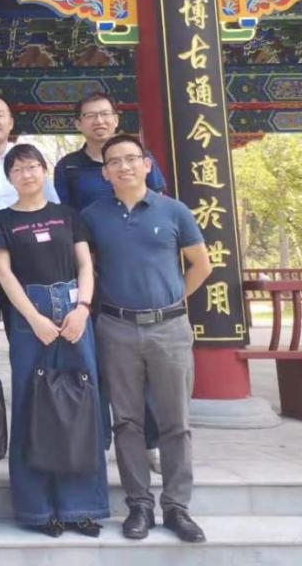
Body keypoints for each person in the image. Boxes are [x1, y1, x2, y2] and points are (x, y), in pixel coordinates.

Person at [81, 134, 212, 544]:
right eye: (114, 162)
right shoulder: (92, 215)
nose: (124, 166)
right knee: (127, 421)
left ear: (146, 164)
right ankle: (139, 504)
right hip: (116, 327)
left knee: (176, 421)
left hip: (169, 329)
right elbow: (87, 267)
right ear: (105, 173)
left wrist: (173, 301)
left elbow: (201, 265)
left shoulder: (174, 210)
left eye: (131, 159)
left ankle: (176, 506)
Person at [0, 144, 109, 538]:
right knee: (32, 406)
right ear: (9, 178)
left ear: (45, 171)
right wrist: (33, 318)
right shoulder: (2, 220)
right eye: (18, 169)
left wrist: (83, 309)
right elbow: (4, 274)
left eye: (33, 167)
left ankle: (82, 507)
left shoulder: (67, 215)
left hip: (74, 312)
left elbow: (85, 264)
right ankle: (38, 510)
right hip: (31, 317)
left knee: (82, 404)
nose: (26, 174)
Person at [53, 90, 167, 469]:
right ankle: (98, 438)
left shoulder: (139, 158)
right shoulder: (68, 167)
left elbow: (158, 205)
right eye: (90, 115)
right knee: (95, 359)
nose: (99, 121)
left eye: (105, 114)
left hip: (135, 269)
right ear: (78, 123)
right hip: (91, 272)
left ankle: (150, 442)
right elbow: (66, 219)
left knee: (141, 363)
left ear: (117, 118)